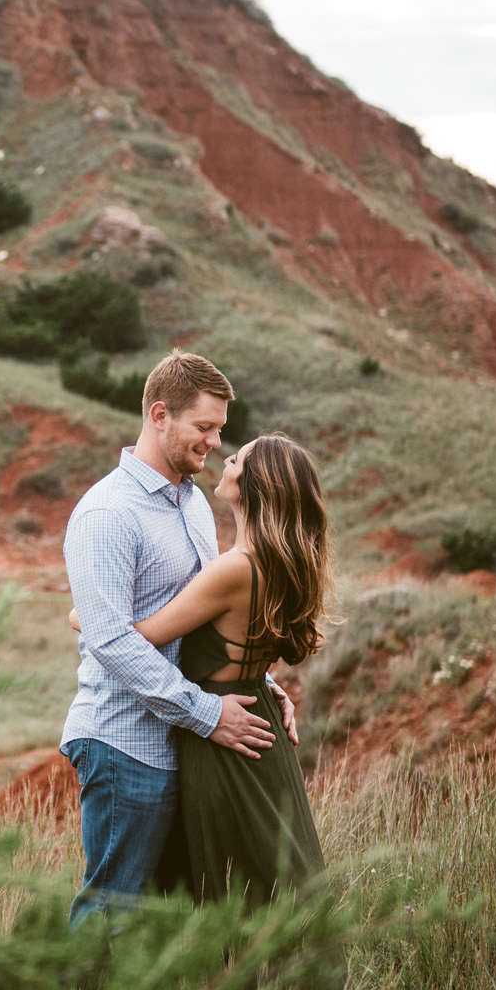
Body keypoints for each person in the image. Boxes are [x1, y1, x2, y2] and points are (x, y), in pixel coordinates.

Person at [58, 351, 298, 929]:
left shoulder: (191, 502)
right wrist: (207, 714)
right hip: (124, 742)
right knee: (112, 914)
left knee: (162, 926)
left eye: (219, 429)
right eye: (204, 427)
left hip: (182, 745)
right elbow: (111, 643)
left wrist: (258, 681)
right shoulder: (107, 514)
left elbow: (201, 619)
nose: (215, 442)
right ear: (160, 415)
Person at [110, 431, 335, 905]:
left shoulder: (234, 569)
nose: (224, 462)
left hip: (223, 739)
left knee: (233, 881)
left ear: (254, 485)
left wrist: (83, 614)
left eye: (235, 459)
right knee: (270, 872)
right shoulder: (279, 564)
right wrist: (269, 684)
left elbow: (142, 634)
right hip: (259, 724)